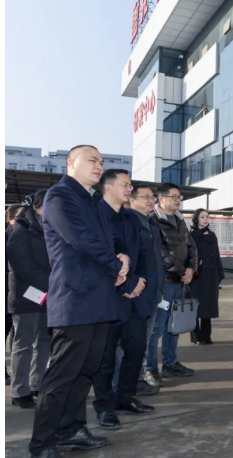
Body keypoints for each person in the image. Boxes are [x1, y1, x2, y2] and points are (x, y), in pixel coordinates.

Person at [29, 145, 129, 458]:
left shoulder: (92, 200)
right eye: (92, 160)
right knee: (62, 375)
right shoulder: (59, 196)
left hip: (98, 299)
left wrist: (122, 257)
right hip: (75, 299)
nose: (99, 165)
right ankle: (42, 443)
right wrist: (116, 265)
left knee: (85, 371)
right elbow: (83, 240)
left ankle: (71, 429)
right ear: (71, 163)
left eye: (102, 161)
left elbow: (108, 241)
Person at [92, 170, 154, 431]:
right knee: (104, 358)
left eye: (130, 185)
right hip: (107, 297)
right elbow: (100, 255)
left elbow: (140, 253)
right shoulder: (95, 215)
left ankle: (125, 397)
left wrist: (141, 281)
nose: (130, 189)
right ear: (108, 187)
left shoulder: (130, 218)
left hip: (134, 295)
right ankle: (104, 406)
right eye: (125, 185)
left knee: (136, 349)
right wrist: (129, 283)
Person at [143, 183, 198, 387]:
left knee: (174, 326)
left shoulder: (180, 220)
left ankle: (170, 363)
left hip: (179, 281)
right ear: (161, 198)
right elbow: (161, 253)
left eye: (179, 197)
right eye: (174, 197)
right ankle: (149, 368)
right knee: (156, 329)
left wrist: (191, 268)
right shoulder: (153, 220)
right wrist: (182, 271)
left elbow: (191, 246)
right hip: (164, 282)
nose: (178, 200)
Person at [7, 191, 52, 409]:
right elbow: (21, 264)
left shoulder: (52, 229)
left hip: (49, 296)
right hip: (27, 295)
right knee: (23, 345)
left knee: (44, 342)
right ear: (37, 206)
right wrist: (50, 283)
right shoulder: (22, 228)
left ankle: (37, 384)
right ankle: (20, 391)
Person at [124, 184, 164, 395]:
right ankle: (130, 383)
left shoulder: (150, 223)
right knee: (133, 342)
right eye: (145, 197)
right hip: (137, 292)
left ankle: (137, 378)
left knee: (145, 340)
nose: (151, 200)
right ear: (131, 199)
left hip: (153, 292)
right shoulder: (128, 222)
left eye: (152, 197)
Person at [188, 209, 225, 345]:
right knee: (195, 307)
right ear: (196, 219)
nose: (205, 219)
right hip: (197, 276)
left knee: (208, 307)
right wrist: (194, 266)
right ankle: (196, 337)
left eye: (207, 217)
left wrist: (219, 274)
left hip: (210, 276)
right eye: (202, 217)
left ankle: (207, 336)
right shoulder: (191, 235)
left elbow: (217, 255)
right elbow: (187, 255)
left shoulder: (212, 235)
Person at [5, 203, 26, 385]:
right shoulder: (7, 238)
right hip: (7, 292)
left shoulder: (26, 237)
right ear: (9, 219)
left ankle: (17, 373)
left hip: (18, 294)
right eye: (18, 217)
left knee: (17, 335)